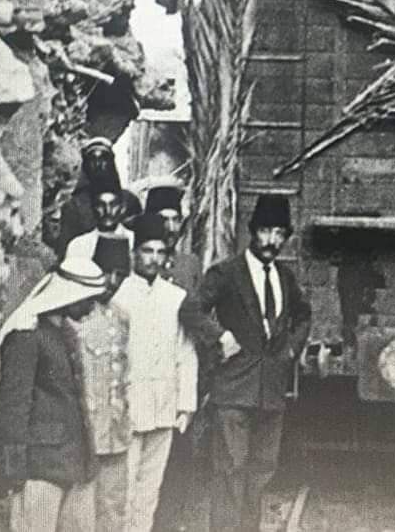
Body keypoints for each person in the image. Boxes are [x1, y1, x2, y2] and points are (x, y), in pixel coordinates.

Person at [180, 194, 312, 532]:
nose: (271, 241)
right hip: (233, 390)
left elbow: (303, 315)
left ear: (286, 237)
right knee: (229, 471)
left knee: (262, 472)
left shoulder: (285, 277)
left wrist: (292, 349)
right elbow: (191, 309)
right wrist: (220, 336)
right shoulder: (227, 273)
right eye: (265, 231)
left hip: (271, 393)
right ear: (252, 232)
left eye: (279, 233)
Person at [0, 256, 107, 532]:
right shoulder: (27, 335)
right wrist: (14, 469)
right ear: (70, 295)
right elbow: (13, 406)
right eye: (87, 299)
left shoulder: (64, 332)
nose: (91, 306)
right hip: (39, 468)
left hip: (72, 462)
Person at [112, 212, 198, 532]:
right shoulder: (119, 296)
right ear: (135, 253)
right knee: (125, 486)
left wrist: (186, 405)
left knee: (151, 488)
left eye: (160, 252)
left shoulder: (175, 298)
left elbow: (185, 353)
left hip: (164, 404)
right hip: (128, 406)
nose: (154, 259)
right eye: (147, 251)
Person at [143, 184, 203, 532]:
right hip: (145, 368)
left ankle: (168, 522)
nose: (170, 226)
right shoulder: (140, 261)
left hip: (178, 363)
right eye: (162, 218)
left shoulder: (189, 264)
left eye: (175, 218)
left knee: (177, 453)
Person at [74, 235, 133, 530]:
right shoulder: (76, 318)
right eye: (106, 272)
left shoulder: (123, 318)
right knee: (81, 515)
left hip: (115, 434)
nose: (112, 281)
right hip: (84, 436)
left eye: (120, 274)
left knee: (114, 511)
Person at [57, 137, 142, 257]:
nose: (98, 164)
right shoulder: (74, 206)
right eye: (92, 160)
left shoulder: (130, 201)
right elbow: (65, 249)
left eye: (104, 158)